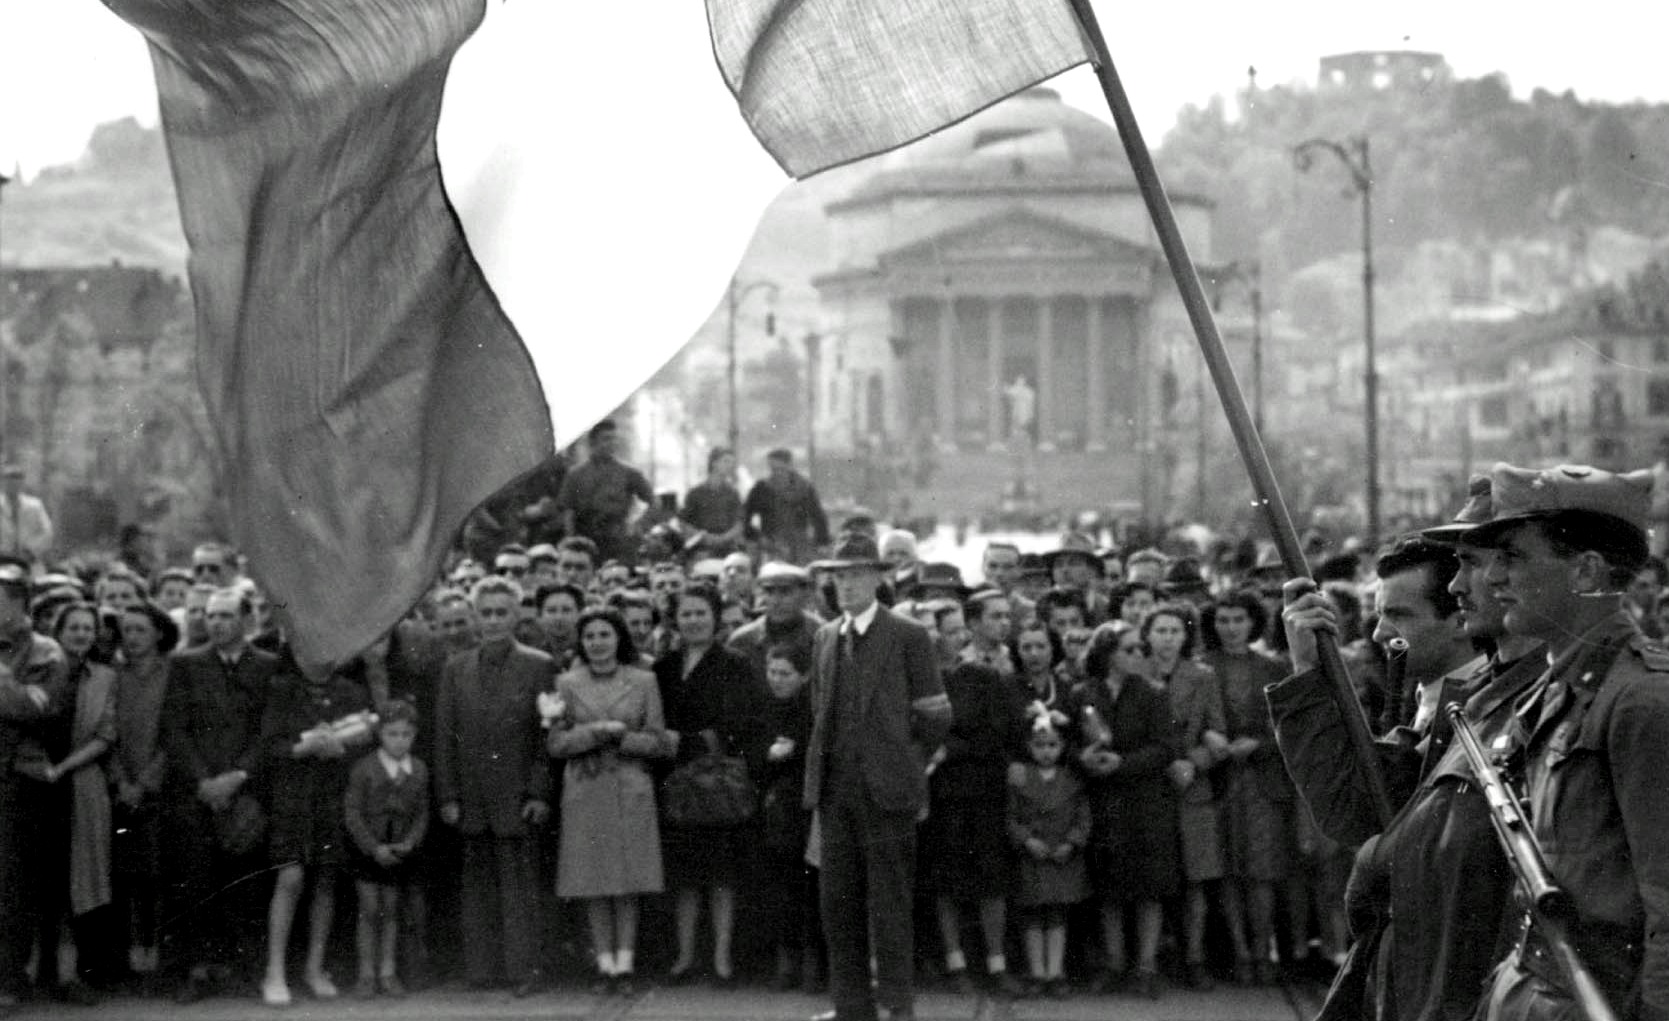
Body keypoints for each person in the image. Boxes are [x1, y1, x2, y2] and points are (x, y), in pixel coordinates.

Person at [1271, 471, 1549, 1021]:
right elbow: (1357, 808)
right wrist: (1307, 672)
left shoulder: (1510, 702)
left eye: (1398, 616)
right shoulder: (1452, 702)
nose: (1379, 636)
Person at [1448, 464, 1669, 1021]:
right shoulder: (1559, 688)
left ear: (1587, 571)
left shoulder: (1641, 703)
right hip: (1534, 989)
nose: (1494, 577)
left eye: (1515, 557)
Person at [803, 534, 951, 1021]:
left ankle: (896, 1005)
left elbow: (934, 714)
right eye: (838, 576)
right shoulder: (826, 637)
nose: (845, 585)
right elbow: (819, 711)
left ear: (878, 578)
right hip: (835, 789)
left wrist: (905, 762)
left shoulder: (908, 635)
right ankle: (851, 1007)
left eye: (856, 575)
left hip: (887, 790)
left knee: (889, 903)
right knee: (837, 903)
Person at [433, 576, 555, 997]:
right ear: (474, 617)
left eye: (502, 612)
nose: (494, 621)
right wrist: (448, 795)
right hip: (471, 794)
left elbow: (546, 737)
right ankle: (482, 971)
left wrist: (539, 792)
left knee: (518, 888)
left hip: (517, 794)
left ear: (517, 615)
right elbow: (444, 735)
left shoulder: (539, 665)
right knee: (477, 887)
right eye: (486, 613)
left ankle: (524, 971)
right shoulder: (456, 668)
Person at [160, 587, 278, 1004]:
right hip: (198, 792)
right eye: (211, 616)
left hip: (245, 792)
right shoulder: (186, 664)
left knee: (244, 883)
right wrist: (204, 782)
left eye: (226, 616)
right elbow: (174, 729)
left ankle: (240, 970)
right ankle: (196, 970)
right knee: (196, 882)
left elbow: (269, 731)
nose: (217, 623)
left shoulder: (267, 666)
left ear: (245, 620)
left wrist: (238, 777)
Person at [549, 606, 672, 996]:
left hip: (629, 786)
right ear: (581, 642)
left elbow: (658, 741)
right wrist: (595, 732)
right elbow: (555, 743)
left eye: (605, 634)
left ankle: (625, 965)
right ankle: (604, 965)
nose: (598, 643)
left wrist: (622, 738)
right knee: (594, 881)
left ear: (619, 638)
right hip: (585, 790)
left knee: (627, 881)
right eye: (590, 637)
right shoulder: (566, 683)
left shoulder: (644, 680)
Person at [653, 584, 762, 986]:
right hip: (675, 782)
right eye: (686, 614)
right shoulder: (663, 668)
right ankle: (684, 957)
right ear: (675, 620)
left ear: (716, 618)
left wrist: (693, 741)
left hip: (718, 784)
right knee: (683, 877)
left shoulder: (735, 665)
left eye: (701, 613)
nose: (694, 620)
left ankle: (721, 958)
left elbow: (746, 724)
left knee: (721, 877)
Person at [1063, 622, 1178, 999]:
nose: (1138, 656)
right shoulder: (1083, 693)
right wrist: (1083, 758)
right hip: (1102, 801)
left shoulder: (1153, 694)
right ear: (1108, 653)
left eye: (1139, 650)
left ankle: (1145, 966)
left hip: (1144, 802)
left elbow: (1164, 747)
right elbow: (1065, 744)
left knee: (1148, 888)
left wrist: (1122, 764)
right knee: (1108, 887)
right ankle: (1113, 964)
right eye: (1129, 650)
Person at [257, 652, 374, 1006]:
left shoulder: (351, 691)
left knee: (325, 879)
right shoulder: (281, 689)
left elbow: (364, 739)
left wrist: (341, 750)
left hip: (331, 792)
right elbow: (268, 744)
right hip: (293, 795)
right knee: (290, 878)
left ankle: (314, 967)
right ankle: (274, 972)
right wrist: (300, 748)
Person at [921, 599, 1025, 998]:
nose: (939, 638)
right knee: (944, 880)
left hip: (979, 790)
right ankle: (955, 961)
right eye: (931, 630)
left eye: (948, 631)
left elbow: (1000, 732)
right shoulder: (914, 677)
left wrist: (950, 748)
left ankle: (996, 964)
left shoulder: (980, 677)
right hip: (937, 793)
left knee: (989, 879)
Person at [1200, 591, 1292, 984]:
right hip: (1217, 778)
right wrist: (1208, 736)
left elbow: (1288, 725)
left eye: (1239, 619)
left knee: (1260, 872)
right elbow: (1186, 718)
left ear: (1253, 622)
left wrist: (1259, 743)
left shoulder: (1272, 667)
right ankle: (1239, 952)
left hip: (1259, 780)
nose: (1231, 628)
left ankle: (1262, 951)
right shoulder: (1202, 667)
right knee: (1226, 871)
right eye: (1223, 620)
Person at [29, 603, 117, 1002]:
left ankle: (71, 975)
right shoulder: (38, 670)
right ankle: (32, 971)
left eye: (88, 628)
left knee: (78, 883)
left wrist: (63, 766)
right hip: (32, 783)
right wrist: (38, 766)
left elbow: (105, 734)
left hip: (79, 784)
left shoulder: (104, 677)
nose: (81, 634)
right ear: (57, 630)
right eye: (73, 627)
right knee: (38, 880)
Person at [1142, 601, 1229, 990]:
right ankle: (1149, 960)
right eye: (1160, 630)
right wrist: (1163, 763)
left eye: (1175, 631)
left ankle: (1194, 958)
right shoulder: (1136, 673)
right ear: (1147, 635)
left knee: (1196, 878)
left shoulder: (1202, 676)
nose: (1167, 638)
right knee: (1154, 877)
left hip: (1192, 787)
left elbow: (1218, 732)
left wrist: (1194, 762)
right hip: (1148, 785)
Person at [344, 700, 430, 999]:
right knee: (369, 909)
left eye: (406, 734)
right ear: (380, 734)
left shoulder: (418, 769)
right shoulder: (364, 768)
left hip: (399, 852)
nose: (399, 740)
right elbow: (352, 813)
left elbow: (422, 813)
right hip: (369, 851)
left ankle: (388, 972)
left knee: (391, 910)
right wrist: (371, 847)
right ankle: (366, 974)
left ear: (414, 735)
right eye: (393, 734)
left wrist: (409, 843)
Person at [111, 601, 178, 983]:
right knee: (127, 875)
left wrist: (148, 781)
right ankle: (132, 957)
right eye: (126, 630)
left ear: (158, 633)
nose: (131, 638)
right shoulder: (114, 675)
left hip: (161, 787)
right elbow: (107, 732)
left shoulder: (172, 673)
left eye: (139, 629)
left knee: (158, 873)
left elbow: (175, 733)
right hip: (121, 787)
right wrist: (121, 780)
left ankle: (159, 957)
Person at [1007, 718, 1091, 999]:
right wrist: (1027, 840)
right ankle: (1037, 972)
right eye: (1039, 745)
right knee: (1032, 914)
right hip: (1034, 855)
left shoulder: (1071, 779)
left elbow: (1083, 817)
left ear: (1063, 747)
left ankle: (1055, 972)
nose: (1046, 752)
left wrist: (1072, 842)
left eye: (1053, 745)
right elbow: (1011, 818)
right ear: (1029, 747)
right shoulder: (1020, 777)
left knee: (1057, 913)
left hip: (1060, 856)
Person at [756, 643, 823, 993]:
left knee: (810, 885)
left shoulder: (812, 709)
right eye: (772, 672)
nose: (777, 680)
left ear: (804, 675)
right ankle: (786, 960)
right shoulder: (764, 707)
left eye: (785, 674)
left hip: (805, 806)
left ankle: (812, 961)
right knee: (783, 887)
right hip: (776, 807)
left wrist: (791, 751)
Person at [554, 419, 655, 564]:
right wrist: (570, 541)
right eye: (606, 439)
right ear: (593, 443)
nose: (612, 443)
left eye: (614, 439)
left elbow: (653, 502)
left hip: (618, 540)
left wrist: (637, 525)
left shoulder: (628, 473)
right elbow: (568, 510)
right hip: (586, 539)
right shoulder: (576, 474)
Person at [727, 561, 821, 679]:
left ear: (804, 594)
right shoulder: (743, 640)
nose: (776, 601)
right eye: (769, 591)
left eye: (785, 592)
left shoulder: (821, 635)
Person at [744, 449, 831, 566]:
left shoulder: (805, 488)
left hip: (800, 546)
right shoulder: (762, 488)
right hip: (772, 546)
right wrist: (757, 537)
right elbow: (745, 516)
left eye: (780, 469)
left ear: (790, 466)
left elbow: (818, 517)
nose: (776, 474)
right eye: (773, 469)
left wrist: (822, 542)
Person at [679, 448, 746, 552]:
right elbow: (683, 523)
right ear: (714, 463)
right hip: (701, 547)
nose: (730, 466)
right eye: (726, 461)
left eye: (732, 462)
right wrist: (703, 536)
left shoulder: (732, 493)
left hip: (727, 546)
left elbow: (739, 523)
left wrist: (724, 538)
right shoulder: (696, 493)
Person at [0, 464, 54, 562]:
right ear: (3, 483)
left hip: (28, 559)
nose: (12, 486)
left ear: (21, 483)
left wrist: (30, 550)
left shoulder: (35, 506)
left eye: (16, 482)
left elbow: (47, 532)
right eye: (9, 482)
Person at [961, 589, 1015, 676]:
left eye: (1007, 616)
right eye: (996, 617)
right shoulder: (962, 662)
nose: (1005, 623)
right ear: (974, 623)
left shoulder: (1015, 658)